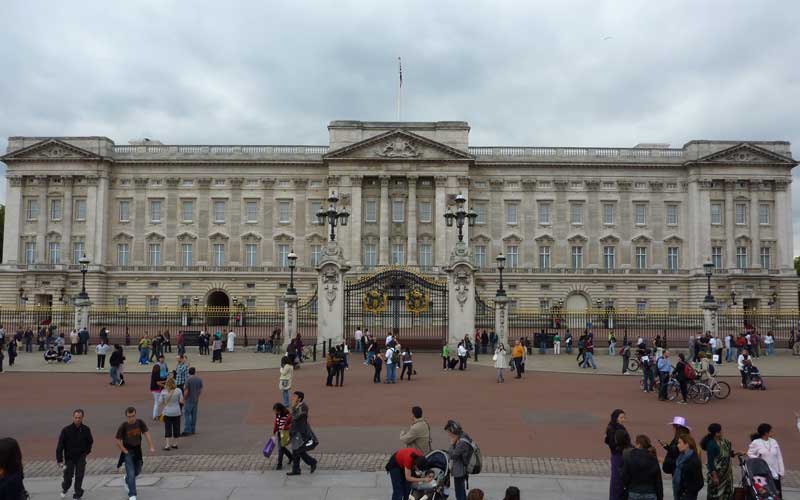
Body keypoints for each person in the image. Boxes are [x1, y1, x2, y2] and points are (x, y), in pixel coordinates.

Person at [115, 407, 155, 500]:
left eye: (133, 416)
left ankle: (127, 479)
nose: (131, 418)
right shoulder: (123, 426)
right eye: (129, 417)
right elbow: (117, 440)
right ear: (126, 416)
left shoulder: (140, 423)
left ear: (135, 415)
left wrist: (151, 446)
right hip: (128, 451)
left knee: (137, 470)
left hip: (138, 450)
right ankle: (132, 495)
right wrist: (124, 450)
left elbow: (146, 433)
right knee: (131, 472)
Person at [56, 409, 93, 500]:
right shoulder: (66, 430)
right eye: (76, 417)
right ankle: (65, 488)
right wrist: (60, 460)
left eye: (79, 418)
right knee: (68, 477)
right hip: (69, 458)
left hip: (81, 457)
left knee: (79, 476)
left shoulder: (86, 429)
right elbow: (60, 446)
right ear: (73, 417)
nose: (77, 419)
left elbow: (90, 441)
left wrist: (86, 452)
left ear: (82, 418)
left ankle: (77, 494)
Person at [621, 434, 664, 500]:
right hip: (650, 492)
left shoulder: (630, 457)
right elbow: (658, 479)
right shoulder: (653, 458)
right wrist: (660, 496)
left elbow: (625, 476)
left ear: (639, 444)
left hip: (634, 491)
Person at [747, 423, 785, 496]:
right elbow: (750, 453)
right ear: (766, 433)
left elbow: (779, 457)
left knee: (776, 494)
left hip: (775, 473)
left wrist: (781, 471)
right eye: (771, 431)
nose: (773, 432)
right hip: (763, 473)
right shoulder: (756, 442)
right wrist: (758, 459)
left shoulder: (774, 441)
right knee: (766, 495)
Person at [699, 423, 735, 500]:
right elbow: (710, 462)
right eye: (720, 431)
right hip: (718, 476)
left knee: (727, 496)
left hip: (727, 476)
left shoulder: (725, 442)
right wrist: (715, 477)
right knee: (716, 497)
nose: (722, 432)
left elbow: (728, 454)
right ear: (716, 433)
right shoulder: (711, 445)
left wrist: (736, 453)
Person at [287, 391, 318, 476]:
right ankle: (296, 469)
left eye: (294, 397)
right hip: (295, 432)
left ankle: (312, 462)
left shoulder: (303, 407)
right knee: (295, 451)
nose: (292, 398)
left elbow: (296, 418)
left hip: (301, 433)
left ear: (299, 398)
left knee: (298, 450)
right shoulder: (296, 406)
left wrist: (293, 408)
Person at [445, 420, 473, 500]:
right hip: (461, 469)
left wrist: (452, 444)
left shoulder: (461, 442)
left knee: (459, 492)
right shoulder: (463, 436)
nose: (449, 434)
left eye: (449, 432)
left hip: (460, 471)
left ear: (453, 431)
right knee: (460, 490)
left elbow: (453, 455)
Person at [605, 409, 628, 500]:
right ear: (616, 418)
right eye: (621, 417)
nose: (623, 419)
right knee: (617, 480)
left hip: (620, 455)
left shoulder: (616, 427)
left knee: (619, 479)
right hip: (618, 455)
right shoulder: (613, 428)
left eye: (624, 417)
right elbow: (611, 444)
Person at [673, 433, 704, 500]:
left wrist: (688, 493)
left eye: (679, 443)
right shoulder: (681, 458)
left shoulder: (693, 460)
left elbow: (700, 482)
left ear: (687, 444)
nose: (677, 445)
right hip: (680, 495)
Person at [158, 377, 184, 450]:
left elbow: (159, 402)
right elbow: (181, 401)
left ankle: (167, 445)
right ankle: (175, 444)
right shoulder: (178, 390)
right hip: (177, 412)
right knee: (176, 427)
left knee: (167, 428)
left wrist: (164, 402)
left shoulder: (163, 392)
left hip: (167, 412)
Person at [182, 367, 203, 436]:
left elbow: (186, 391)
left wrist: (184, 398)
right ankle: (193, 429)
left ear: (189, 372)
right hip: (195, 400)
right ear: (194, 372)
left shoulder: (188, 380)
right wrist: (197, 396)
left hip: (189, 400)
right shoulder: (199, 379)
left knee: (187, 415)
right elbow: (200, 390)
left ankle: (187, 430)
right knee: (194, 416)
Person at [272, 403, 293, 470]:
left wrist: (285, 427)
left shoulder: (288, 415)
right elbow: (276, 423)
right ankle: (291, 457)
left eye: (276, 410)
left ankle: (279, 464)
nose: (275, 412)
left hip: (285, 434)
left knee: (281, 449)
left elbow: (291, 424)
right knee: (282, 448)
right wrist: (274, 431)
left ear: (280, 410)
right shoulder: (277, 414)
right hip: (279, 433)